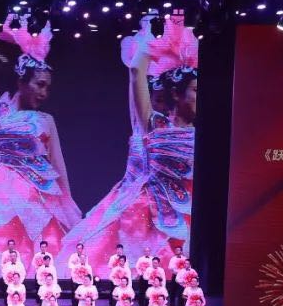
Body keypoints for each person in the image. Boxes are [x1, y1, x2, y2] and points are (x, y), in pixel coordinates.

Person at [62, 15, 198, 263]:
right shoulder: (153, 126)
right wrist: (154, 40)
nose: (201, 97)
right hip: (147, 216)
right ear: (177, 94)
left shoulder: (204, 135)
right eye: (196, 90)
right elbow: (136, 71)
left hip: (190, 219)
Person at [0, 14, 81, 254]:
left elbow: (58, 167)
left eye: (47, 87)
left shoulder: (45, 120)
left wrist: (68, 208)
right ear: (21, 82)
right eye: (39, 84)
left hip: (37, 195)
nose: (44, 93)